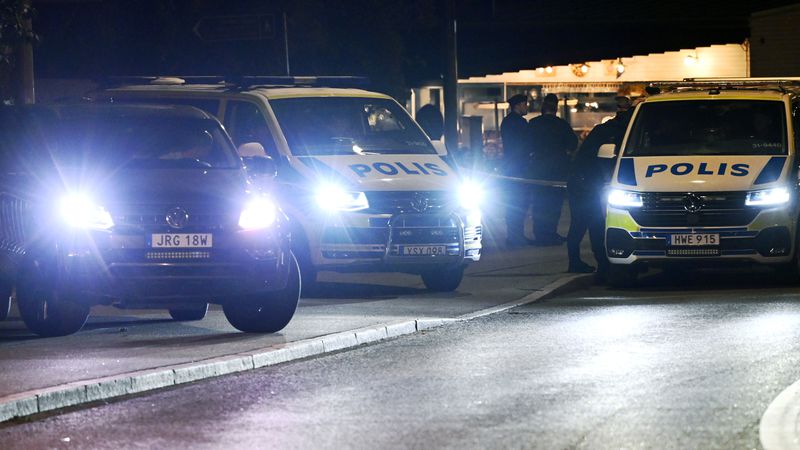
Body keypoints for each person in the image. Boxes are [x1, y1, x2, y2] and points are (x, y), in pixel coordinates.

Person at [566, 96, 632, 277]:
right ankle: (601, 265)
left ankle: (581, 262)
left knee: (581, 223)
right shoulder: (619, 132)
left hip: (582, 180)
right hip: (587, 182)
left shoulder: (603, 130)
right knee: (593, 223)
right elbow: (609, 160)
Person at [528, 93, 578, 245]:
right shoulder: (562, 124)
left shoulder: (533, 123)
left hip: (538, 170)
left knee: (539, 204)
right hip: (557, 171)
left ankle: (539, 235)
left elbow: (525, 144)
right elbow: (572, 144)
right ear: (555, 108)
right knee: (554, 205)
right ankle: (550, 233)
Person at [500, 94, 534, 247]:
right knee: (520, 203)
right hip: (520, 167)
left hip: (509, 167)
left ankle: (514, 236)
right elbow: (527, 144)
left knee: (512, 203)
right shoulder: (520, 123)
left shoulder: (506, 122)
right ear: (518, 105)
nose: (527, 107)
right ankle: (516, 237)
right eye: (525, 104)